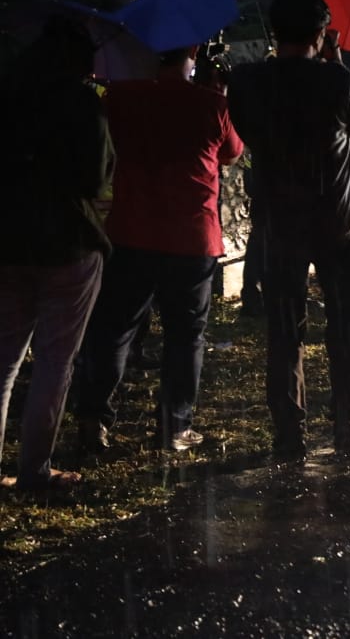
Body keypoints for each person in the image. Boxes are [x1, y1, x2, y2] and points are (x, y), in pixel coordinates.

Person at [227, 0, 350, 459]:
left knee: (284, 326)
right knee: (347, 319)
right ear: (321, 33)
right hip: (337, 217)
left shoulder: (247, 82)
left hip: (280, 218)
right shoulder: (333, 80)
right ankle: (348, 418)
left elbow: (247, 133)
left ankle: (288, 430)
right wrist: (338, 66)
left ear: (274, 33)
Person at [76, 38, 243, 453]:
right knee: (185, 335)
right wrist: (218, 94)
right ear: (191, 55)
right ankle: (175, 426)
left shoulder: (121, 98)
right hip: (191, 236)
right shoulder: (211, 105)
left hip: (131, 230)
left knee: (114, 329)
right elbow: (231, 153)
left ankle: (94, 419)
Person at [0, 18, 112, 489]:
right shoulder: (83, 104)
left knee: (3, 360)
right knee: (54, 360)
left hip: (8, 240)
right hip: (68, 241)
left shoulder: (7, 98)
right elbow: (96, 177)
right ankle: (35, 470)